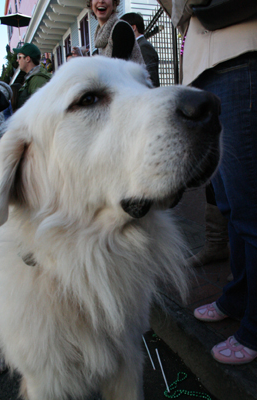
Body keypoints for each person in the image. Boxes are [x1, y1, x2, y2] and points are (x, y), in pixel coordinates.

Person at [158, 0, 257, 365]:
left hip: (239, 55)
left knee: (249, 208)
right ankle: (237, 297)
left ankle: (255, 326)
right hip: (208, 67)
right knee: (230, 204)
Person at [121, 12, 160, 87]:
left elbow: (151, 79)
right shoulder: (137, 46)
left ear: (133, 28)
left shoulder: (143, 46)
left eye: (123, 28)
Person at [13, 43, 51, 110]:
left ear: (27, 59)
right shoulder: (33, 78)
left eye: (19, 57)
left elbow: (39, 110)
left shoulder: (38, 79)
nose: (17, 60)